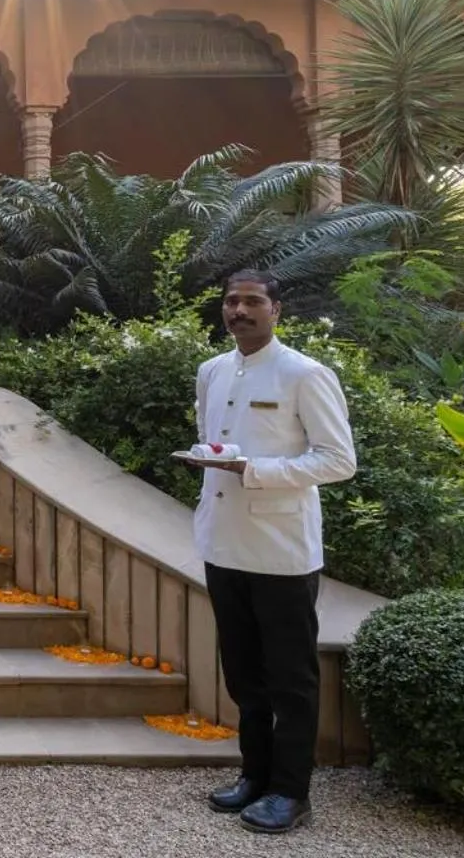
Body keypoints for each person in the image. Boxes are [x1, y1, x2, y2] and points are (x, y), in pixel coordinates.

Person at [181, 269, 356, 835]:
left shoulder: (305, 374)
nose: (239, 310)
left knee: (291, 680)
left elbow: (337, 460)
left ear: (276, 310)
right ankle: (254, 776)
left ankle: (291, 792)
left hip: (281, 550)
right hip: (222, 542)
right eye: (232, 301)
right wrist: (216, 459)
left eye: (253, 301)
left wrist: (252, 469)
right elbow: (215, 439)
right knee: (243, 675)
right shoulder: (212, 371)